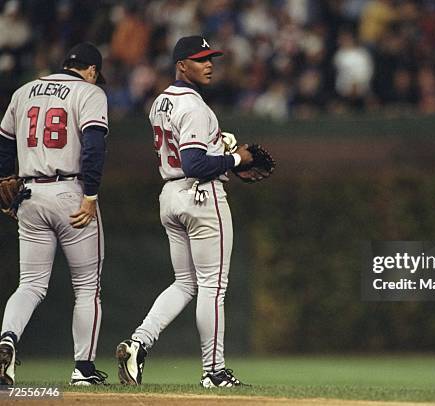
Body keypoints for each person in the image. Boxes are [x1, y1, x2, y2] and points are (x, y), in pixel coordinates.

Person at [115, 35, 253, 388]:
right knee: (213, 286)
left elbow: (189, 151)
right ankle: (214, 371)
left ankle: (138, 343)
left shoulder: (159, 102)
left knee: (185, 283)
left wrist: (221, 149)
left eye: (211, 58)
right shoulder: (194, 106)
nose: (209, 64)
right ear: (181, 64)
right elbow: (193, 162)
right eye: (200, 59)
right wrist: (236, 159)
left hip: (170, 196)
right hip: (201, 196)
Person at [0, 42, 109, 385]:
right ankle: (83, 370)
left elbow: (3, 143)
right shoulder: (89, 93)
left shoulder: (24, 91)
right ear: (90, 70)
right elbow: (93, 147)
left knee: (30, 284)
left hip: (31, 193)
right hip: (70, 192)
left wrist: (5, 187)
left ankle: (6, 339)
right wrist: (90, 194)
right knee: (87, 287)